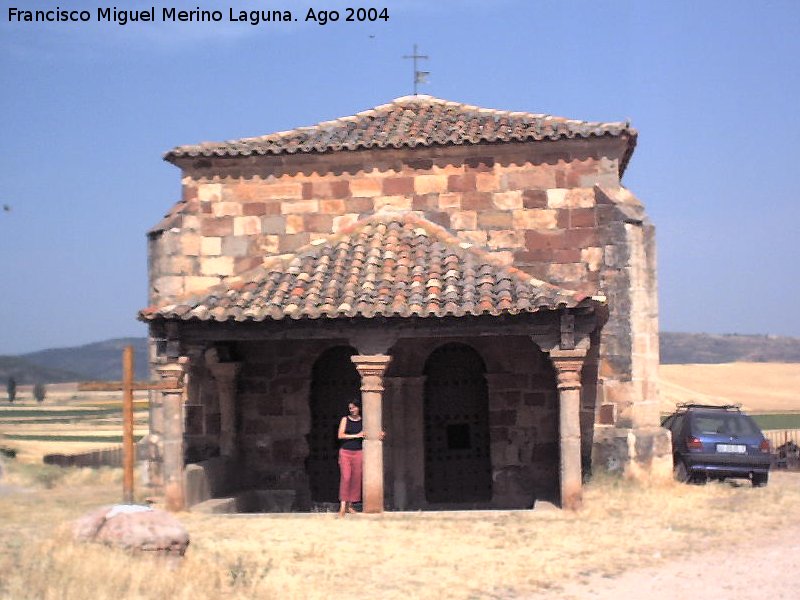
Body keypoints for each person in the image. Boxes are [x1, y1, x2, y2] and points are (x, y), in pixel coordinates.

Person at [337, 400, 365, 517]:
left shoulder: (364, 420)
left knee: (356, 478)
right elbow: (340, 435)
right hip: (346, 452)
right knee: (346, 477)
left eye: (353, 408)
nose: (352, 410)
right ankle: (343, 506)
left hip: (358, 452)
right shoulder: (345, 419)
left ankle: (350, 505)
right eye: (350, 408)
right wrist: (356, 435)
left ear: (358, 408)